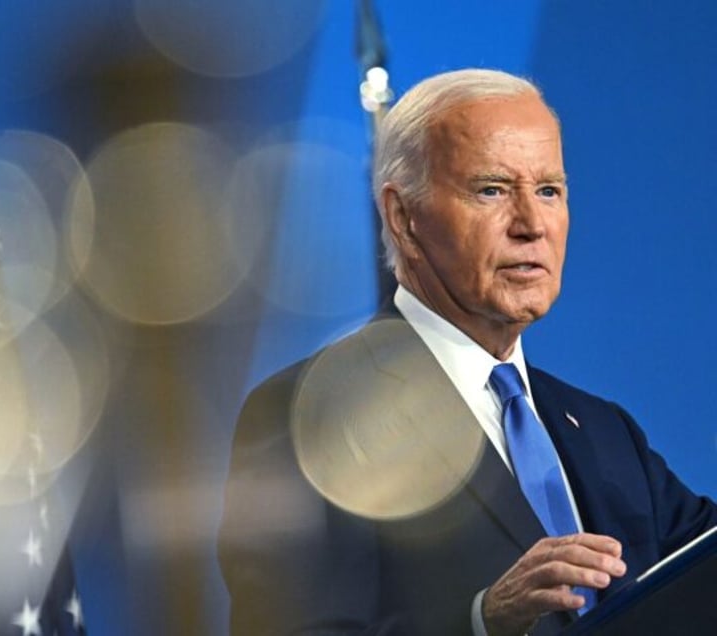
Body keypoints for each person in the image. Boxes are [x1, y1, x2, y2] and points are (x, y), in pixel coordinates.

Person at [217, 68, 717, 636]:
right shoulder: (307, 417)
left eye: (549, 190)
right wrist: (481, 622)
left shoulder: (605, 433)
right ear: (404, 219)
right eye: (492, 190)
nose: (532, 225)